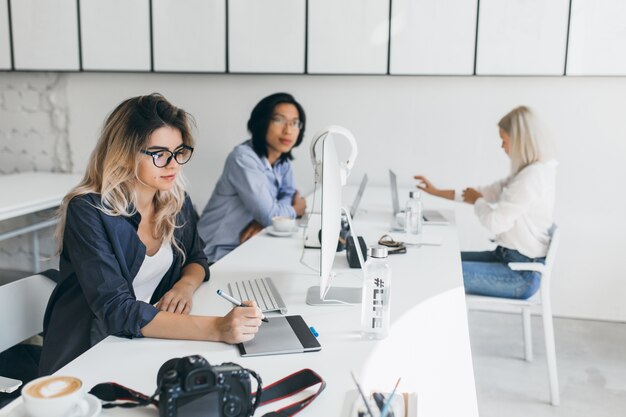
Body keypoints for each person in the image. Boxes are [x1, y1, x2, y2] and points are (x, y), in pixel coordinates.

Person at [39, 94, 263, 375]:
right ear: (124, 153)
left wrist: (184, 285)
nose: (174, 165)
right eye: (159, 154)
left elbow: (196, 257)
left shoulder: (174, 198)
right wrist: (217, 328)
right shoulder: (87, 210)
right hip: (90, 350)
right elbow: (116, 310)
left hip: (142, 339)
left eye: (179, 152)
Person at [414, 106, 556, 299]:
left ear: (519, 141)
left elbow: (495, 222)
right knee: (442, 260)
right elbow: (484, 192)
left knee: (440, 271)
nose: (502, 147)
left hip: (519, 274)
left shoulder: (531, 178)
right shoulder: (526, 173)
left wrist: (478, 201)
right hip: (505, 258)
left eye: (503, 140)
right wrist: (436, 192)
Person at [197, 92, 307, 264]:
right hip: (214, 255)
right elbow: (274, 213)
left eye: (294, 123)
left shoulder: (282, 161)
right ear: (262, 122)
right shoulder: (243, 159)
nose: (288, 130)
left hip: (247, 248)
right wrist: (294, 210)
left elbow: (286, 196)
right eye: (279, 120)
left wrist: (264, 220)